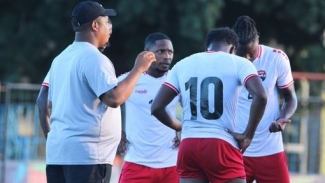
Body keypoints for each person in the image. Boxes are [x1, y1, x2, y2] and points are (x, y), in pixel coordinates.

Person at [43, 1, 156, 183]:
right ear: (95, 25)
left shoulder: (60, 58)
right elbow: (114, 98)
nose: (110, 27)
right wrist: (138, 69)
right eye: (106, 21)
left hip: (58, 154)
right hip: (87, 157)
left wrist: (55, 141)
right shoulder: (94, 58)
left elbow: (43, 103)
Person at [151, 27, 268, 183]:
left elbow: (157, 107)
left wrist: (181, 127)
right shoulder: (239, 62)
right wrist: (248, 136)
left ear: (207, 47)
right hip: (221, 143)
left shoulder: (182, 64)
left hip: (189, 144)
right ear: (233, 48)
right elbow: (261, 96)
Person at [232, 15, 298, 183]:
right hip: (236, 149)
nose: (247, 58)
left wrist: (283, 118)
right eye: (241, 53)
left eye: (251, 53)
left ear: (258, 39)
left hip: (270, 148)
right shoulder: (225, 61)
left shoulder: (276, 58)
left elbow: (290, 98)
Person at [117, 32, 180, 183]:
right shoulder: (129, 80)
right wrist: (116, 131)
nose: (167, 56)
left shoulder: (177, 80)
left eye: (170, 52)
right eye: (161, 51)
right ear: (147, 53)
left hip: (171, 164)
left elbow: (194, 109)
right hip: (137, 163)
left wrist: (183, 130)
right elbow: (106, 104)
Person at [37, 45, 108, 139]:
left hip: (64, 139)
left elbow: (42, 100)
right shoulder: (93, 63)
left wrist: (50, 140)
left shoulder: (61, 60)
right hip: (84, 142)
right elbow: (42, 100)